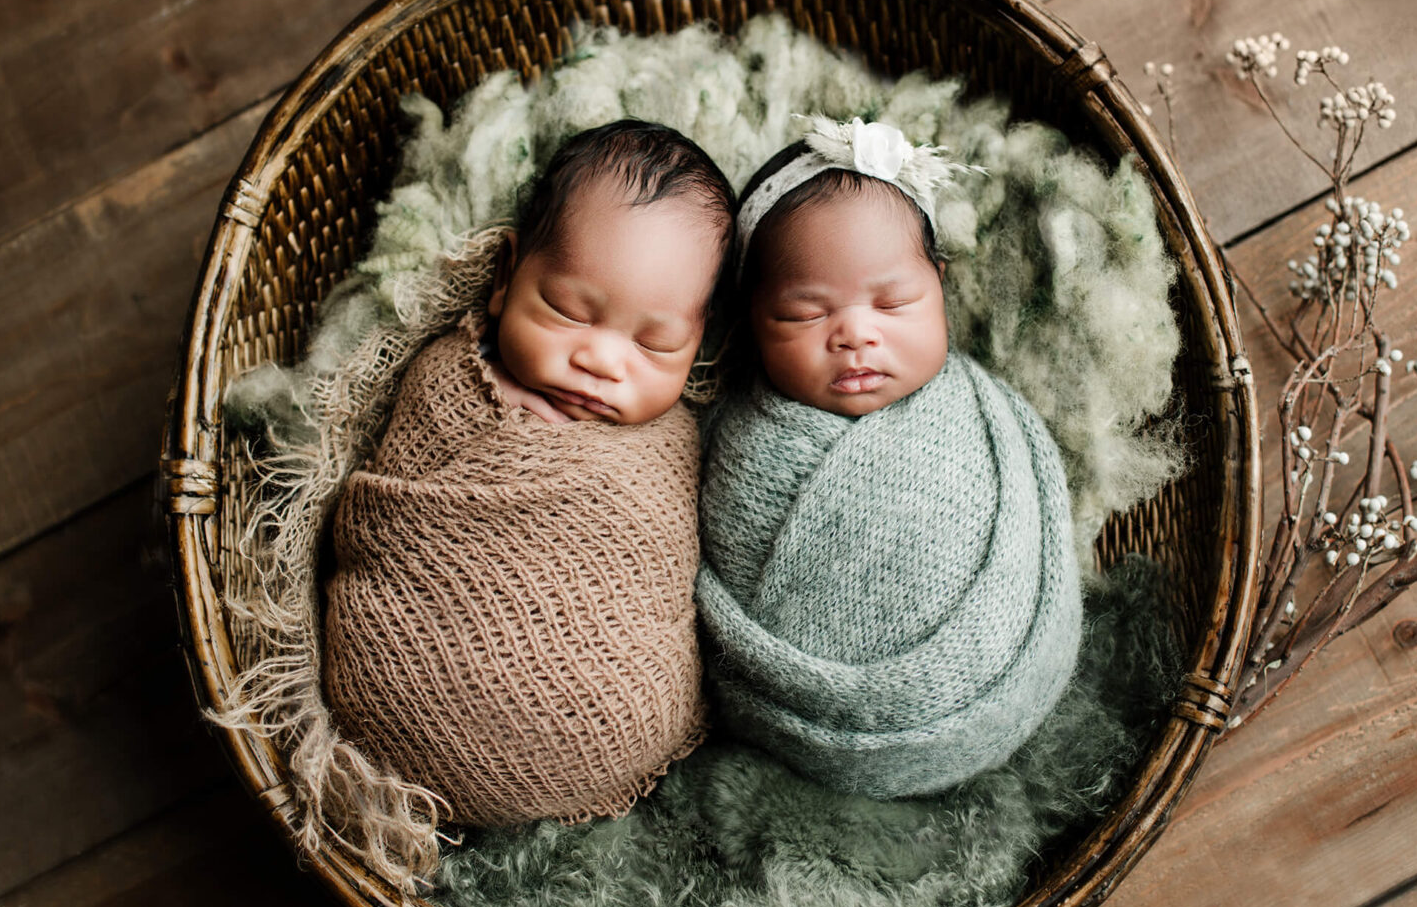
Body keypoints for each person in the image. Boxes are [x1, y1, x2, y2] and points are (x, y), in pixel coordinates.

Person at [324, 120, 734, 827]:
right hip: (403, 679)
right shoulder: (449, 379)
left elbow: (666, 560)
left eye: (657, 343)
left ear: (700, 341)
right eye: (569, 312)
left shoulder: (672, 441)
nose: (604, 363)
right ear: (508, 275)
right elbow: (386, 520)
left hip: (613, 720)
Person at [697, 117, 1084, 798]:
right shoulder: (738, 443)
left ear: (939, 287)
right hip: (800, 731)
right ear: (751, 323)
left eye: (895, 301)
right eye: (803, 314)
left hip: (1000, 681)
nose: (854, 335)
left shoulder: (978, 412)